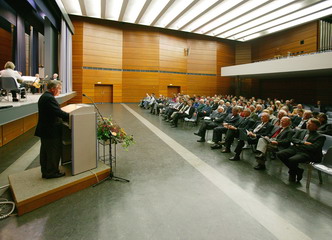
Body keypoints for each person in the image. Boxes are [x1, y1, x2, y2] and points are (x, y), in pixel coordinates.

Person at [35, 80, 69, 179]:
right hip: (50, 131)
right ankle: (52, 172)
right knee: (53, 152)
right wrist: (71, 116)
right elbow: (57, 112)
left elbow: (54, 111)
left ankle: (46, 171)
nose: (60, 90)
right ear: (53, 88)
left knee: (45, 152)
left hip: (45, 130)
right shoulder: (49, 98)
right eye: (59, 88)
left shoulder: (45, 96)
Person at [277, 118, 326, 182]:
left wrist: (299, 144)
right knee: (280, 154)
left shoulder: (320, 137)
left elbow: (314, 148)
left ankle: (292, 173)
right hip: (296, 149)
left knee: (292, 160)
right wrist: (303, 143)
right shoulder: (301, 131)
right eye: (307, 123)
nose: (307, 125)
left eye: (310, 124)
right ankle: (298, 170)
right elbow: (293, 139)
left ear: (316, 126)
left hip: (308, 153)